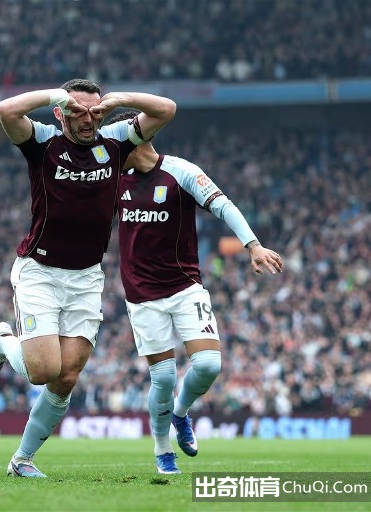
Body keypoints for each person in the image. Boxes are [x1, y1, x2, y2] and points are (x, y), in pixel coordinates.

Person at [0, 79, 176, 478]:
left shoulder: (116, 141)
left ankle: (22, 460)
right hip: (40, 271)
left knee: (66, 376)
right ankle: (2, 342)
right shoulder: (43, 142)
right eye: (78, 112)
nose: (88, 120)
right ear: (60, 113)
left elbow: (166, 109)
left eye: (95, 112)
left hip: (86, 277)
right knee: (42, 370)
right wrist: (56, 96)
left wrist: (119, 100)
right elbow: (5, 111)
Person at [107, 110, 283, 473]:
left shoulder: (180, 171)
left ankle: (180, 412)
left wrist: (253, 246)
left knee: (208, 365)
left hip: (185, 287)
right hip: (142, 294)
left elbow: (223, 205)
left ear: (133, 140)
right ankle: (162, 451)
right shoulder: (113, 181)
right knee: (163, 378)